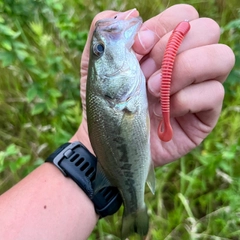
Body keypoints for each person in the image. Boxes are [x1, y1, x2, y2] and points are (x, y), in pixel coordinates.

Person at [0, 4, 235, 240]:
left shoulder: (120, 90)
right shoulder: (112, 96)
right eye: (100, 49)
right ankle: (136, 208)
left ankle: (134, 209)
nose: (103, 43)